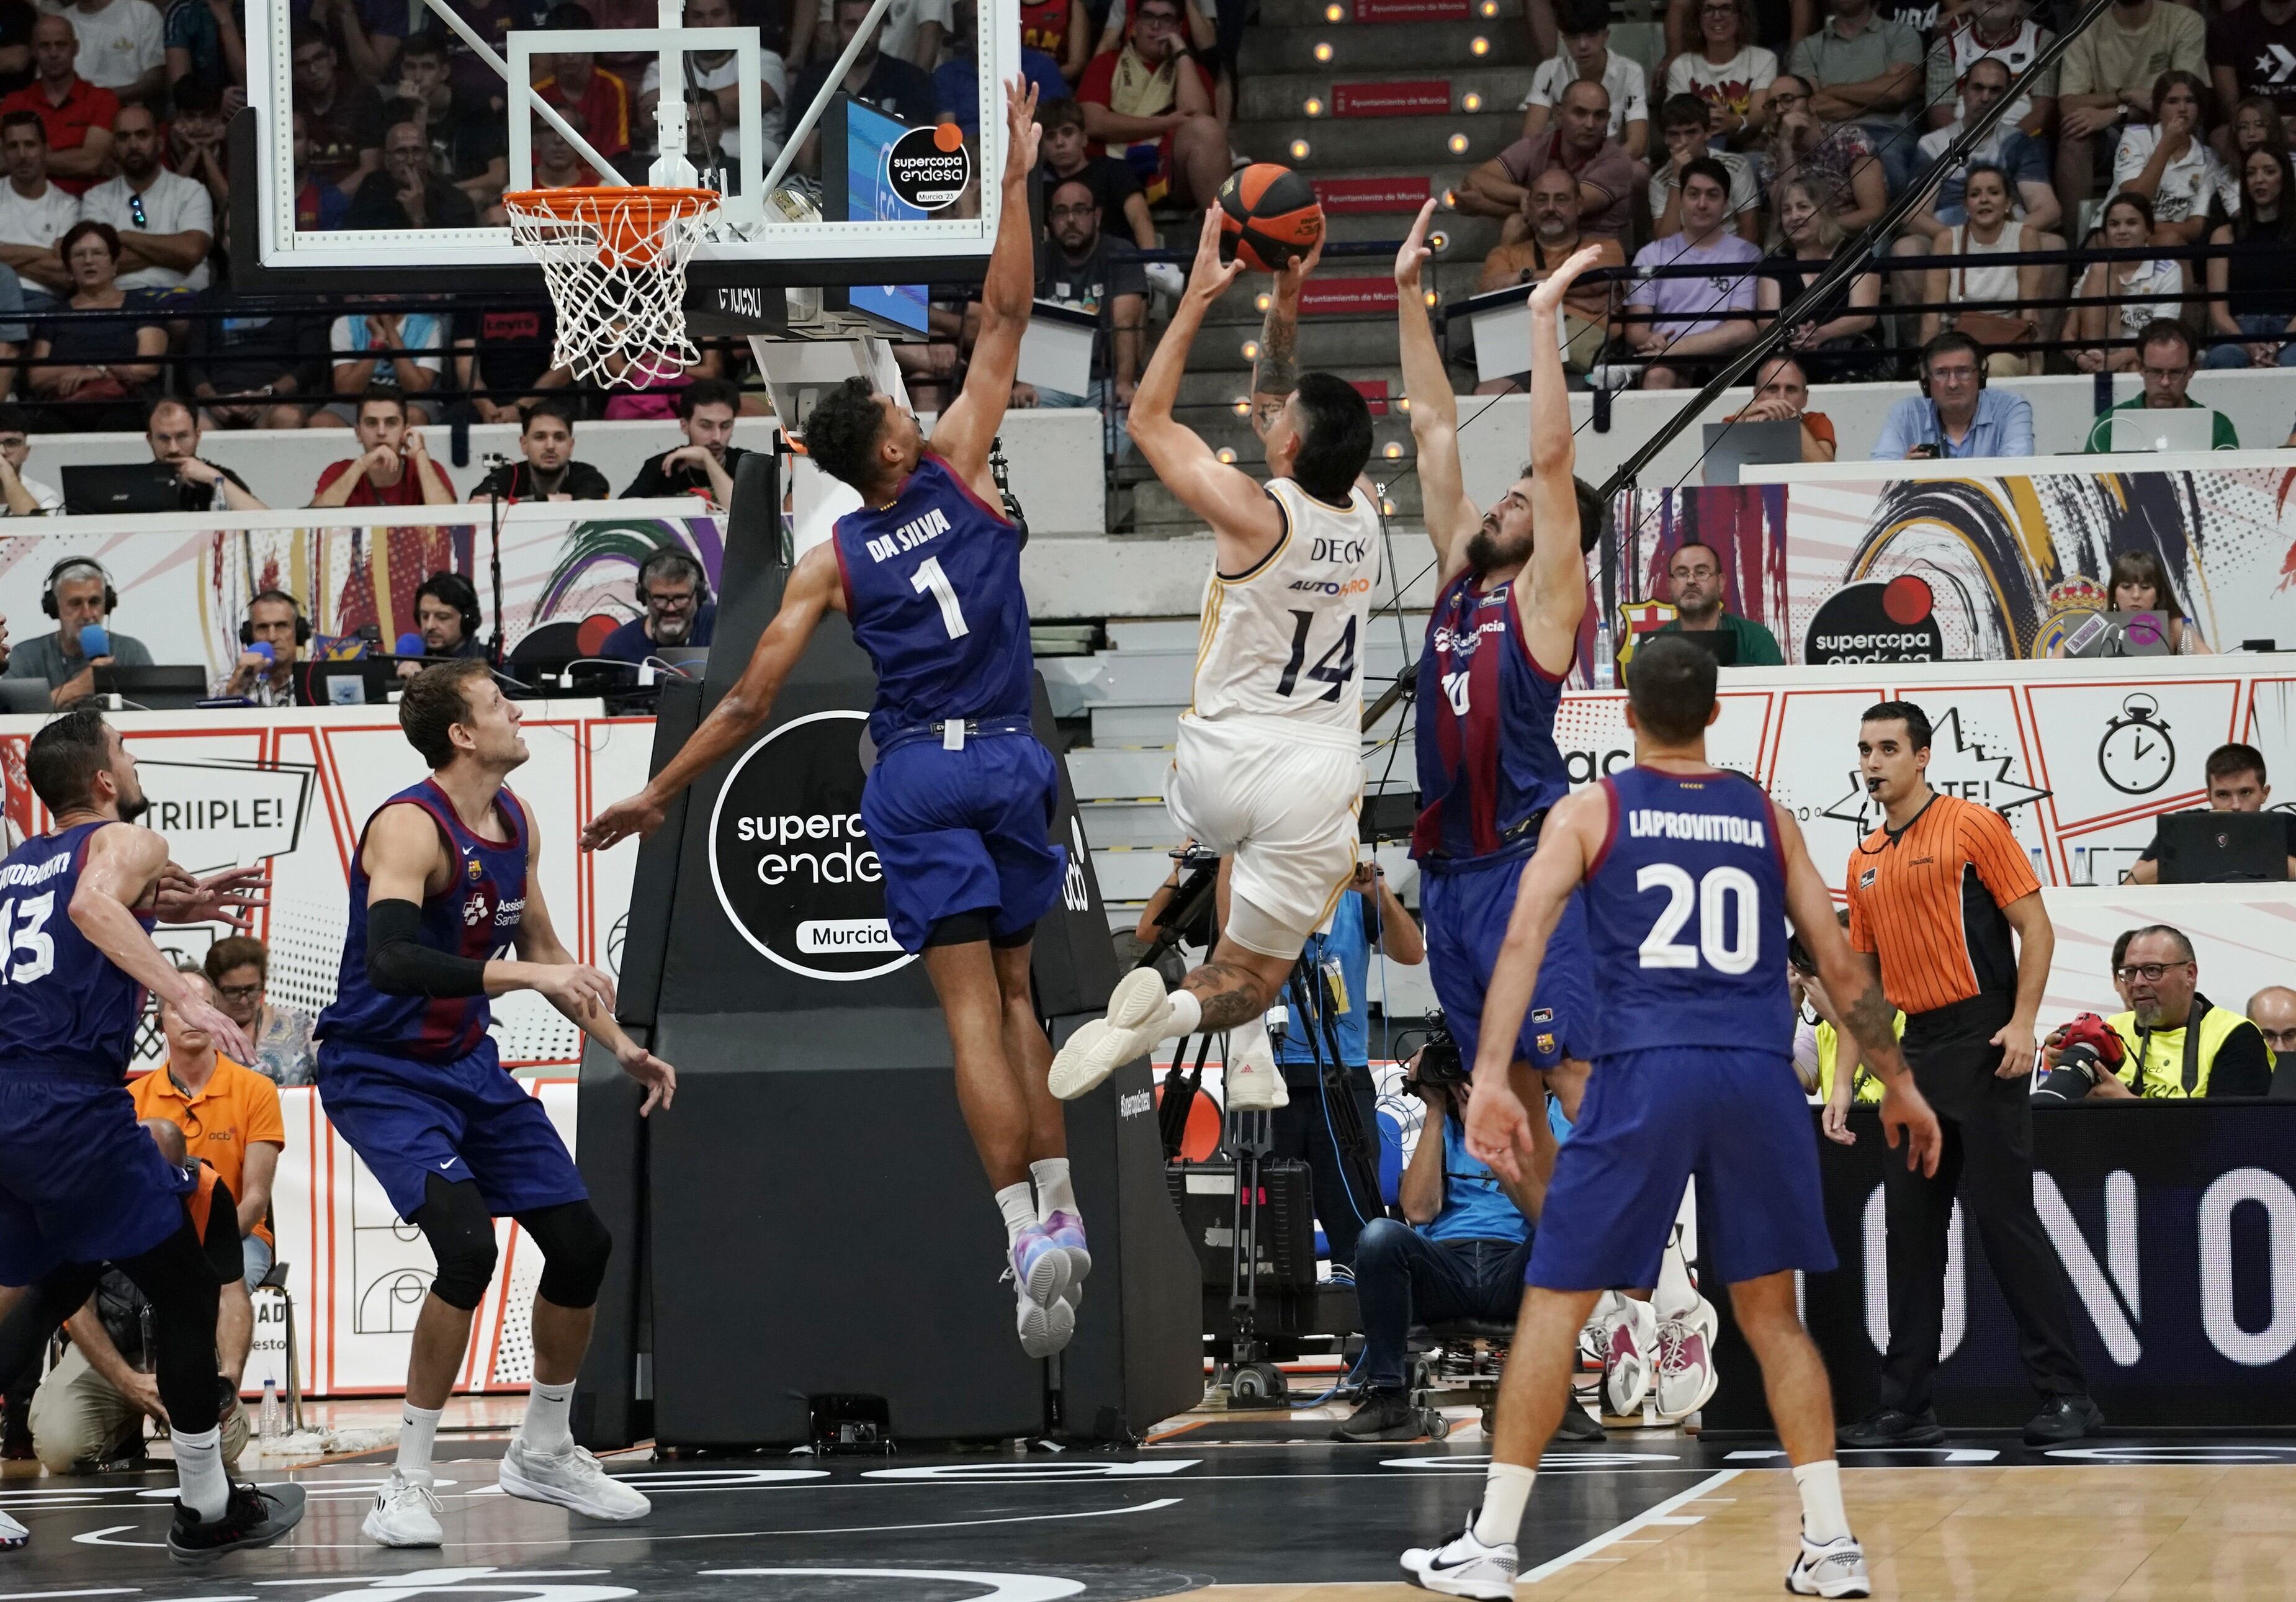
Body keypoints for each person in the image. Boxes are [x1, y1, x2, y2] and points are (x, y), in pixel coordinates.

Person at [583, 84, 1094, 1362]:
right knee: (1023, 1000)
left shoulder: (834, 560)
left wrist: (658, 795)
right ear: (895, 447)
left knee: (967, 1018)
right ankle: (1065, 1208)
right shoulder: (961, 475)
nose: (914, 404)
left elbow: (746, 698)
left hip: (916, 773)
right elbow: (1007, 316)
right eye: (902, 408)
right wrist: (1015, 181)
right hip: (1013, 762)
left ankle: (1020, 1234)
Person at [1397, 636, 1942, 1602]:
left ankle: (1491, 1545)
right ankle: (1831, 1543)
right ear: (1715, 714)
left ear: (1628, 716)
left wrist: (1489, 1074)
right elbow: (1840, 966)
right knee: (1772, 1317)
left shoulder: (1591, 810)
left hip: (1645, 1069)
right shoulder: (1767, 817)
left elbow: (1522, 942)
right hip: (1757, 1074)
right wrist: (1897, 1082)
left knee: (1556, 1303)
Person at [314, 660, 671, 1547]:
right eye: (496, 703)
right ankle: (405, 1482)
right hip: (381, 1071)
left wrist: (621, 1046)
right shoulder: (408, 825)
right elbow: (393, 959)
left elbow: (545, 950)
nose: (516, 710)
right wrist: (528, 976)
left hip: (467, 1064)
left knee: (583, 1245)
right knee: (467, 1249)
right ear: (462, 734)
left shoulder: (516, 820)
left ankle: (543, 1448)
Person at [1048, 207, 1383, 1109]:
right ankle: (1185, 1018)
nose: (1266, 413)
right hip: (1313, 772)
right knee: (1257, 978)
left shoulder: (1253, 513)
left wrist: (1197, 297)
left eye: (1278, 418)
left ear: (1289, 444)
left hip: (1218, 765)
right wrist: (1288, 296)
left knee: (1235, 845)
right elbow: (1283, 393)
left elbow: (1147, 416)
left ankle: (1212, 1038)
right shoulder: (1367, 511)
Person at [0, 707, 303, 1562]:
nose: (133, 763)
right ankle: (207, 1505)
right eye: (124, 750)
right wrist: (184, 994)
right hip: (69, 1102)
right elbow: (94, 904)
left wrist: (175, 905)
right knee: (188, 1286)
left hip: (10, 1099)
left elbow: (80, 920)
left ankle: (208, 1496)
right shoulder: (129, 838)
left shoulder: (17, 865)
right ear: (104, 779)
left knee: (53, 1284)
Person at [1392, 200, 1600, 1249]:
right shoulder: (1456, 579)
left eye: (1517, 501)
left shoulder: (1546, 603)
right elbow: (1434, 426)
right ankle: (1589, 1288)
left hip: (1524, 868)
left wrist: (1543, 323)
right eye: (1504, 494)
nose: (1503, 501)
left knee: (1573, 1074)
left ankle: (1664, 1264)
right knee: (1500, 1109)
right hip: (1450, 879)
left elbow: (1554, 463)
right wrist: (1405, 294)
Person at [1835, 699, 2099, 1449]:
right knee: (1910, 1234)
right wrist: (1849, 1076)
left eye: (1888, 748)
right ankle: (1906, 1407)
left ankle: (2068, 1395)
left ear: (1922, 756)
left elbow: (2035, 927)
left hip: (1983, 1039)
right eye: (1865, 749)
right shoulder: (1862, 859)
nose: (1873, 762)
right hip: (1915, 1053)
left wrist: (2022, 1021)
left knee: (2005, 1222)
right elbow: (1864, 985)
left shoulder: (1973, 825)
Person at [1338, 1051, 1554, 1445]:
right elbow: (1418, 1211)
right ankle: (1389, 1397)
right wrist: (1436, 1110)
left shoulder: (1545, 1121)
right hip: (1445, 1269)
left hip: (1515, 1268)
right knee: (1379, 1235)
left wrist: (1492, 1140)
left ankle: (1559, 1397)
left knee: (1565, 1231)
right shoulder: (1443, 1127)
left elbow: (1549, 1216)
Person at [28, 1118, 252, 1476]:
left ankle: (190, 1457)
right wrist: (128, 1382)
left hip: (184, 1346)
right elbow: (79, 1310)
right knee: (59, 1450)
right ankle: (124, 1428)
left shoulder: (208, 1191)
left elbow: (232, 1295)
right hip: (106, 1352)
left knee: (223, 1447)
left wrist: (230, 1374)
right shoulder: (84, 1194)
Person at [1269, 858, 1422, 1271]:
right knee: (1270, 1232)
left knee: (1356, 1228)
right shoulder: (1259, 887)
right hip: (1268, 1076)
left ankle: (1358, 1299)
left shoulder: (1356, 898)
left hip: (1344, 1078)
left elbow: (1412, 952)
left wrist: (1379, 891)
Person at [132, 976, 287, 1292]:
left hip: (239, 1237)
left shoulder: (258, 1090)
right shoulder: (133, 1098)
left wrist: (205, 1249)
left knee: (220, 1287)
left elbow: (256, 1198)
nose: (192, 1017)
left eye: (202, 1006)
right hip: (156, 1240)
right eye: (180, 1008)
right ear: (159, 1022)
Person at [2054, 0, 2208, 228]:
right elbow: (2069, 105)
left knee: (2183, 124)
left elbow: (2185, 103)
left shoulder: (2184, 21)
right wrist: (2126, 94)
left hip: (2161, 126)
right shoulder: (2085, 25)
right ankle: (2076, 243)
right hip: (2107, 131)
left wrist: (2119, 113)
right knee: (2074, 134)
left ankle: (2173, 229)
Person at [2079, 926, 2275, 1098]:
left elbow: (2229, 1125)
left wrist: (2124, 1105)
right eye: (2130, 972)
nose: (2138, 982)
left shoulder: (2235, 1034)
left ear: (2190, 974)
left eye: (2153, 970)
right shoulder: (2113, 1029)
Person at [1472, 164, 1625, 381]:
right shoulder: (1505, 254)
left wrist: (1520, 284)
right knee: (1490, 391)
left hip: (1584, 365)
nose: (1550, 208)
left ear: (1579, 205)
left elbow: (1594, 282)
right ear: (1529, 206)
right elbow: (1489, 293)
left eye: (1561, 200)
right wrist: (1556, 287)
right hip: (1520, 358)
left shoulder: (1605, 248)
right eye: (1541, 200)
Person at [1072, 0, 1228, 210]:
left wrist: (1182, 53)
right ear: (1134, 24)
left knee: (1207, 130)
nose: (1156, 26)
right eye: (1148, 17)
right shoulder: (1105, 63)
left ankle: (1221, 227)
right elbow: (1093, 123)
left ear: (1178, 28)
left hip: (1169, 171)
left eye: (1166, 19)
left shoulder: (1192, 70)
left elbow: (1196, 117)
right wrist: (1166, 123)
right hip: (1110, 170)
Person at [1621, 158, 1760, 389]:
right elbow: (1636, 329)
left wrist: (1672, 349)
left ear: (1726, 203)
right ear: (1681, 199)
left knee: (1744, 330)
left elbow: (1741, 329)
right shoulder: (1651, 255)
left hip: (1723, 360)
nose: (1702, 204)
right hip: (1664, 361)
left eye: (1712, 195)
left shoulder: (1747, 254)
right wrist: (1650, 340)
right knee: (1658, 375)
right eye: (1694, 194)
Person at [1029, 175, 1145, 431]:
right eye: (1061, 212)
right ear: (1051, 220)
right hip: (1050, 380)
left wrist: (1124, 383)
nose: (1071, 220)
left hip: (1105, 378)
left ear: (1097, 216)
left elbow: (1125, 323)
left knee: (1126, 419)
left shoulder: (1121, 251)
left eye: (1080, 210)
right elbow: (1017, 321)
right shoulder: (1037, 259)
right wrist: (1022, 382)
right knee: (1026, 419)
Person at [24, 219, 164, 430]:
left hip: (126, 404)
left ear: (114, 264)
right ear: (69, 267)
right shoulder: (53, 315)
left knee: (120, 423)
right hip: (65, 405)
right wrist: (81, 371)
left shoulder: (143, 306)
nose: (88, 261)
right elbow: (37, 376)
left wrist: (98, 371)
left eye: (98, 253)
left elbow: (148, 367)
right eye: (79, 255)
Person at [1464, 78, 1641, 243]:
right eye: (1580, 114)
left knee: (1516, 222)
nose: (1590, 124)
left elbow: (1563, 210)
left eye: (1599, 116)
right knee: (1517, 225)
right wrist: (1522, 196)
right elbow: (1477, 178)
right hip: (1544, 244)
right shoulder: (1537, 146)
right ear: (1559, 114)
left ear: (1607, 120)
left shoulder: (1617, 161)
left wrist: (1487, 207)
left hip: (1595, 250)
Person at [1904, 56, 2061, 235]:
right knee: (1907, 247)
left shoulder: (2018, 143)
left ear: (2008, 97)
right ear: (1963, 91)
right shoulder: (1933, 144)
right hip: (1948, 236)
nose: (1985, 98)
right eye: (1978, 88)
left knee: (2053, 243)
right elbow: (1913, 215)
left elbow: (2049, 210)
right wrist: (1955, 240)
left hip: (2009, 237)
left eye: (1995, 90)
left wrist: (2005, 238)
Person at [1917, 163, 2047, 376]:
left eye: (1994, 193)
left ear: (2008, 203)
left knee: (1992, 369)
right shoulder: (1946, 240)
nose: (1984, 200)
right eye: (1975, 194)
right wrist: (1924, 372)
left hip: (2010, 346)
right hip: (1958, 346)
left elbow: (2031, 313)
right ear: (1966, 205)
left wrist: (2036, 372)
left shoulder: (2026, 236)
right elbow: (1931, 317)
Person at [1786, 0, 1923, 196]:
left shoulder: (1901, 34)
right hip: (1830, 138)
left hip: (1887, 133)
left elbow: (1898, 91)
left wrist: (1831, 90)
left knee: (1890, 166)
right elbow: (1813, 108)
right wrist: (1881, 99)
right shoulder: (1808, 47)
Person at [1759, 174, 1881, 384]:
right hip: (1794, 357)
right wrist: (1797, 334)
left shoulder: (1856, 253)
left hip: (1851, 357)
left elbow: (1864, 317)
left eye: (1803, 207)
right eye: (1786, 211)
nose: (1794, 217)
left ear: (1824, 211)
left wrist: (1820, 333)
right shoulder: (1775, 264)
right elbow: (1766, 323)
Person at [789, 0, 938, 173]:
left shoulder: (910, 79)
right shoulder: (812, 80)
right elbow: (801, 156)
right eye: (851, 25)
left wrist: (838, 138)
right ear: (835, 31)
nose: (861, 34)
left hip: (890, 184)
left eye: (869, 23)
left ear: (881, 27)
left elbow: (919, 151)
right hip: (825, 184)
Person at [78, 103, 212, 292]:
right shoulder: (96, 197)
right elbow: (95, 263)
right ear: (114, 147)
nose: (133, 145)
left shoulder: (191, 192)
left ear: (160, 143)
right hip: (118, 301)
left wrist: (124, 236)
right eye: (124, 137)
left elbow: (191, 251)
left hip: (181, 298)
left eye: (142, 135)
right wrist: (173, 254)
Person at [2129, 743, 2296, 881]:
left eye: (2245, 792)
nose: (2236, 805)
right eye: (2223, 795)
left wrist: (2256, 854)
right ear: (2209, 796)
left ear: (2264, 794)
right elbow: (2131, 883)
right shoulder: (2186, 827)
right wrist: (2197, 851)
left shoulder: (2286, 827)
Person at [2, 556, 152, 707]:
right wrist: (79, 687)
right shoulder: (26, 656)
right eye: (75, 603)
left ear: (107, 604)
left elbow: (153, 712)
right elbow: (11, 714)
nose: (87, 614)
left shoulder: (131, 651)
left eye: (94, 602)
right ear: (54, 607)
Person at [2112, 70, 2234, 248]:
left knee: (2172, 242)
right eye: (2173, 101)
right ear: (2158, 109)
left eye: (2190, 101)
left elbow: (2195, 227)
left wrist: (2144, 229)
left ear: (2199, 110)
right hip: (2119, 235)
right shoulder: (2136, 137)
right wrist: (2166, 146)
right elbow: (2132, 203)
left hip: (2167, 240)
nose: (2182, 109)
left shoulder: (2209, 159)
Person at [0, 15, 119, 196]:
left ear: (76, 48)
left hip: (86, 204)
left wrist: (22, 160)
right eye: (45, 46)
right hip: (23, 205)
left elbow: (92, 162)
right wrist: (69, 159)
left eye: (61, 45)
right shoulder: (14, 102)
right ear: (33, 51)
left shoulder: (102, 99)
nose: (53, 53)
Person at [1870, 330, 2036, 458]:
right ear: (1926, 381)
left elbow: (2017, 469)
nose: (1953, 384)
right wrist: (1903, 470)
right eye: (1941, 373)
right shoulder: (1905, 413)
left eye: (1963, 372)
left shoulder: (2011, 409)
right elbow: (1880, 472)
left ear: (1981, 376)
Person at [2073, 193, 2189, 374]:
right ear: (2105, 233)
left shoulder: (2169, 270)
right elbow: (2069, 333)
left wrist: (2116, 360)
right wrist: (2081, 358)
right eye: (2114, 224)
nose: (2122, 231)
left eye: (2131, 223)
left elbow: (2161, 338)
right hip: (2101, 357)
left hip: (2146, 357)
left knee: (2136, 366)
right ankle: (2098, 364)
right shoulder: (2094, 271)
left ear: (2148, 231)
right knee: (2101, 268)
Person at [2083, 318, 2239, 451]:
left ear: (2191, 370)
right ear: (2141, 368)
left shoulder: (2218, 427)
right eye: (2155, 372)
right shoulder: (2110, 423)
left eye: (2175, 372)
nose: (2165, 382)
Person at [186, 280, 326, 428]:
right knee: (194, 425)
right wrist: (212, 401)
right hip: (219, 400)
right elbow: (193, 365)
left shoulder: (298, 295)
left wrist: (268, 394)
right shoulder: (209, 297)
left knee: (288, 417)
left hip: (277, 400)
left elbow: (312, 364)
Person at [2202, 148, 2296, 370]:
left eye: (2269, 171)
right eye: (2251, 173)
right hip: (2238, 331)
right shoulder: (2224, 235)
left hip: (2290, 331)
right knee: (2223, 359)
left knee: (2292, 360)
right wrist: (2250, 345)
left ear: (2285, 178)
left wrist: (2277, 344)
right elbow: (2218, 312)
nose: (2259, 179)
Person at [1519, 0, 1650, 159]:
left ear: (1605, 36)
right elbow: (1531, 139)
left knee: (1639, 170)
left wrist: (1597, 168)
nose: (1583, 46)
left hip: (1611, 162)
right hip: (1562, 162)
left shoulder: (1631, 72)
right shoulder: (1549, 71)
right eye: (1574, 37)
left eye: (1591, 35)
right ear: (1564, 39)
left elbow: (1637, 144)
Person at [1764, 73, 1886, 231]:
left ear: (1812, 104)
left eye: (1788, 100)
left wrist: (1819, 228)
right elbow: (1784, 217)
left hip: (1852, 237)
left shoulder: (1851, 140)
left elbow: (1873, 213)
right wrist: (1785, 146)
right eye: (1772, 105)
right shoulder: (1772, 158)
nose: (1779, 110)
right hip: (1799, 241)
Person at [1035, 95, 1153, 250]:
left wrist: (1150, 260)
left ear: (1084, 138)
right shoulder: (1041, 189)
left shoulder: (1114, 170)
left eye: (1068, 133)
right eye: (1050, 136)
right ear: (1042, 146)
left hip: (1121, 259)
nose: (1060, 142)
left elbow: (1140, 217)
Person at [1926, 0, 2056, 139]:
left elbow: (2043, 112)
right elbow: (1940, 114)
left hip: (2022, 141)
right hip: (1959, 143)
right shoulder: (1945, 47)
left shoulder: (2043, 41)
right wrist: (1969, 146)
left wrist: (2004, 145)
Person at [2048, 547, 2207, 660]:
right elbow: (2050, 668)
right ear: (2114, 594)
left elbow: (2210, 665)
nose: (2136, 595)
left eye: (2145, 587)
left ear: (2158, 594)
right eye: (2126, 587)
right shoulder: (2095, 626)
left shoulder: (2174, 626)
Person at [205, 935, 319, 1089]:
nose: (244, 1001)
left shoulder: (298, 1024)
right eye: (232, 992)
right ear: (212, 988)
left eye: (252, 990)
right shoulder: (199, 1034)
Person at [310, 389, 457, 508]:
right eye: (372, 423)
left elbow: (451, 524)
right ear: (358, 433)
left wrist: (421, 455)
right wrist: (360, 465)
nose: (381, 432)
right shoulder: (338, 471)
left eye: (391, 423)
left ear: (405, 431)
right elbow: (314, 521)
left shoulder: (428, 469)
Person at [285, 24, 383, 200]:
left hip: (354, 202)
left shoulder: (364, 97)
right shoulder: (287, 101)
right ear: (293, 72)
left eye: (319, 58)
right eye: (303, 64)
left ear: (333, 57)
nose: (313, 70)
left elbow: (371, 167)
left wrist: (325, 201)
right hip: (299, 202)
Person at [1648, 92, 1761, 241]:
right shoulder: (1659, 181)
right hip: (1684, 254)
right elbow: (1665, 243)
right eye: (1674, 134)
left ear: (1708, 132)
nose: (1683, 141)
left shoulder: (1736, 166)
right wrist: (1676, 178)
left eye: (1691, 132)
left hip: (1731, 251)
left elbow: (1750, 234)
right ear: (1666, 138)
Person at [1664, 0, 1778, 146]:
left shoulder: (1763, 59)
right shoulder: (1682, 65)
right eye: (1708, 9)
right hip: (1697, 148)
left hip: (1750, 148)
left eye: (1726, 8)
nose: (1717, 16)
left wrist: (1734, 122)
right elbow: (1674, 117)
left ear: (1741, 17)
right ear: (1698, 19)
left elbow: (1759, 115)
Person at [619, 376, 747, 505]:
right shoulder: (662, 467)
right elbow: (623, 508)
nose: (717, 437)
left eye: (725, 426)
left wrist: (707, 458)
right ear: (685, 426)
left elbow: (742, 511)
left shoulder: (746, 463)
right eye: (706, 426)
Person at [1652, 538, 1785, 662]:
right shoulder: (1652, 646)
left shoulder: (1755, 638)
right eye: (1682, 574)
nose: (1691, 581)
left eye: (1701, 573)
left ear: (1721, 583)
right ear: (1669, 585)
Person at [320, 299, 449, 426]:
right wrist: (377, 343)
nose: (383, 293)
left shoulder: (428, 326)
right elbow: (346, 391)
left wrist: (391, 331)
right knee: (322, 421)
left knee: (413, 416)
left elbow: (418, 390)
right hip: (359, 400)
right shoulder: (346, 323)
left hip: (410, 401)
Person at [343, 119, 481, 232]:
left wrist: (419, 217)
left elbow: (444, 254)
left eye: (417, 151)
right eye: (401, 152)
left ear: (427, 157)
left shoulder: (454, 200)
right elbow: (353, 237)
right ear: (387, 160)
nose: (410, 161)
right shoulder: (373, 187)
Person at [534, 4, 632, 160]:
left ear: (591, 45)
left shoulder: (613, 88)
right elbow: (533, 159)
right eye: (562, 47)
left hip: (602, 173)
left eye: (576, 45)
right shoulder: (537, 95)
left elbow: (617, 154)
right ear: (550, 48)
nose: (570, 55)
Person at [0, 109, 78, 300]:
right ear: (3, 152)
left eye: (30, 144)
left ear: (46, 149)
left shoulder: (68, 206)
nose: (22, 155)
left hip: (43, 303)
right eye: (13, 146)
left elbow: (66, 275)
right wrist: (44, 253)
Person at [472, 399, 609, 502]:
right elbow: (477, 503)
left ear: (571, 445)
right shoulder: (507, 475)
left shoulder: (587, 476)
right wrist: (553, 501)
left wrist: (511, 504)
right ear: (524, 444)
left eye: (559, 438)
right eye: (540, 437)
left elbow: (591, 502)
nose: (550, 446)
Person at [147, 398, 265, 513]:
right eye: (163, 438)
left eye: (182, 436)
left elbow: (267, 519)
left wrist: (214, 478)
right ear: (150, 439)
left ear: (197, 437)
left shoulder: (216, 476)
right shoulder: (139, 482)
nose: (173, 448)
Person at [597, 547, 714, 664]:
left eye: (680, 598)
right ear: (643, 597)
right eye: (660, 598)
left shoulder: (719, 627)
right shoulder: (618, 647)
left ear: (699, 596)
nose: (671, 608)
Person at [1726, 353, 1837, 461]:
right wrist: (1740, 428)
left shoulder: (1816, 422)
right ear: (1757, 395)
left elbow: (1824, 468)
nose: (1781, 398)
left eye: (1791, 389)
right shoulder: (1735, 422)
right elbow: (1722, 466)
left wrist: (1794, 423)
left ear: (1805, 398)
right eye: (1772, 389)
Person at [217, 590, 309, 706]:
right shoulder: (224, 686)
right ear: (249, 636)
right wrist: (236, 690)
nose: (272, 637)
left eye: (281, 626)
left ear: (299, 632)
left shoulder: (315, 681)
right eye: (263, 627)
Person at [0, 400, 59, 512]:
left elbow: (39, 523)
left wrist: (8, 475)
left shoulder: (44, 496)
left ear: (26, 452)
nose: (2, 452)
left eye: (11, 443)